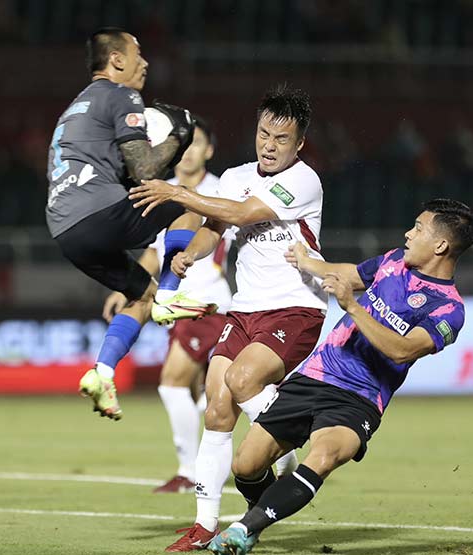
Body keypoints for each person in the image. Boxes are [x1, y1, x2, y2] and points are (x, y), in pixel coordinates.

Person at [204, 199, 473, 555]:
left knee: (322, 458)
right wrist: (308, 263)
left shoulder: (448, 309)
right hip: (315, 376)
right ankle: (258, 517)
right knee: (245, 464)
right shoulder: (392, 262)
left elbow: (400, 350)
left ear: (441, 245)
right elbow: (351, 275)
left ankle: (245, 530)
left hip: (360, 399)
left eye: (417, 228)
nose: (408, 234)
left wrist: (352, 305)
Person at [129, 84, 327, 552]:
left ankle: (293, 430)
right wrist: (191, 256)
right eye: (264, 134)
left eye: (282, 139)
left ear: (299, 144)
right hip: (244, 311)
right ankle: (204, 524)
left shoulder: (304, 180)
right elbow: (216, 227)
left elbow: (242, 212)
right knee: (217, 407)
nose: (270, 145)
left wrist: (177, 192)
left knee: (240, 381)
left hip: (295, 308)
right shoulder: (237, 174)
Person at [45, 27, 215, 421]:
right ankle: (172, 295)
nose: (145, 63)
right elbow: (145, 168)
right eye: (138, 54)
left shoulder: (74, 109)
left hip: (65, 229)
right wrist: (180, 134)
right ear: (117, 60)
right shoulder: (121, 95)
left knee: (141, 296)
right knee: (183, 199)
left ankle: (102, 373)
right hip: (96, 211)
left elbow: (120, 170)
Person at [105, 116, 233, 493]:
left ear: (209, 150)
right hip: (173, 301)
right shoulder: (163, 191)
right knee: (208, 392)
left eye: (197, 144)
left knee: (172, 383)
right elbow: (153, 251)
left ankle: (189, 471)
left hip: (207, 299)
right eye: (184, 144)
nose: (189, 152)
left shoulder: (222, 189)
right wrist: (123, 288)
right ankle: (264, 455)